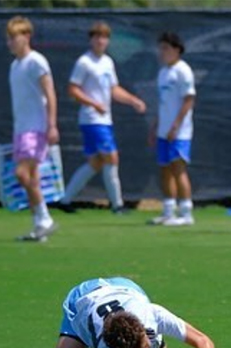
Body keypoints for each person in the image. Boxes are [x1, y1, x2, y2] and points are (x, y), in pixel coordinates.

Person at [51, 277, 229, 348]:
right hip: (82, 300)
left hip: (125, 287)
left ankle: (156, 339)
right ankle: (80, 333)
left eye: (145, 344)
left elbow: (202, 340)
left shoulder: (151, 314)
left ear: (143, 330)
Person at [56, 21, 146, 214]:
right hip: (92, 120)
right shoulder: (84, 62)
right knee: (112, 158)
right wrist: (94, 104)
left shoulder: (108, 62)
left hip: (105, 120)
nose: (101, 41)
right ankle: (117, 205)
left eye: (104, 37)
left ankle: (65, 201)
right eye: (97, 37)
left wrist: (133, 100)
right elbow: (73, 89)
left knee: (96, 163)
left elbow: (114, 89)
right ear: (91, 40)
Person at [6, 16, 59, 242]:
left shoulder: (37, 61)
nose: (9, 42)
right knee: (33, 179)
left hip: (36, 129)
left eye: (13, 37)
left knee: (21, 173)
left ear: (26, 36)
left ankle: (45, 219)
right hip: (21, 130)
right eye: (7, 38)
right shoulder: (14, 66)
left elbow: (49, 93)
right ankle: (40, 225)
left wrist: (52, 125)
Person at [147, 32, 196, 227]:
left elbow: (189, 100)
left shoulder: (183, 71)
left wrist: (176, 125)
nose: (162, 52)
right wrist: (155, 127)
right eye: (160, 48)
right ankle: (168, 212)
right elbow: (163, 104)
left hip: (180, 132)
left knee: (178, 169)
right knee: (165, 170)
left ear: (177, 50)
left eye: (166, 48)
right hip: (163, 132)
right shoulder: (162, 73)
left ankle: (186, 214)